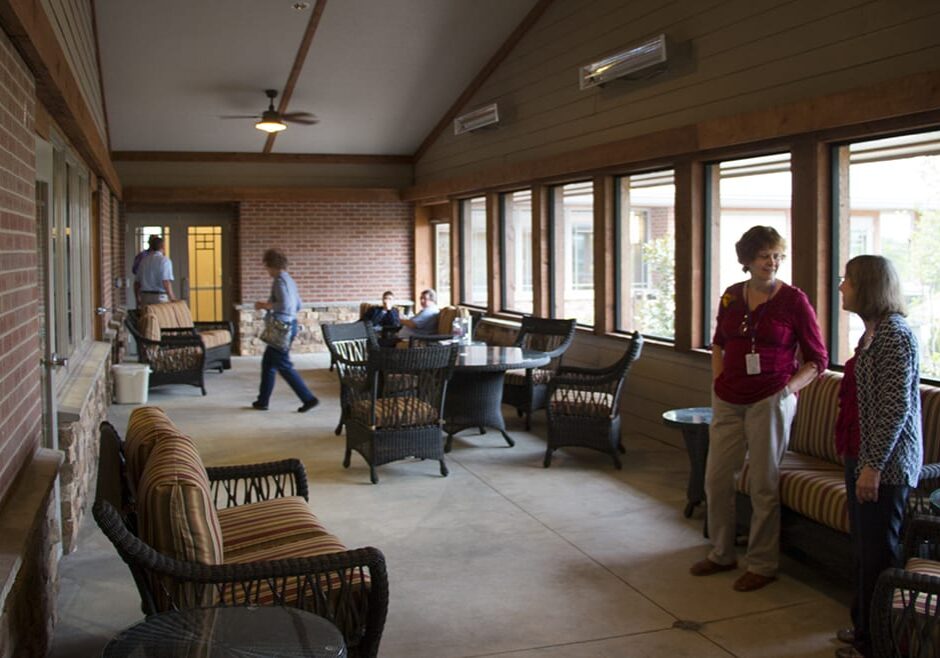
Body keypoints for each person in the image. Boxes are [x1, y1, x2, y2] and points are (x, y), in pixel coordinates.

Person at [691, 226, 827, 592]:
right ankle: (721, 553)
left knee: (764, 483)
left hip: (769, 399)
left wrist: (786, 391)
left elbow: (817, 359)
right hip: (728, 397)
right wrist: (718, 381)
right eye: (765, 255)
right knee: (717, 478)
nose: (772, 262)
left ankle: (763, 564)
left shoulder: (794, 300)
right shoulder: (732, 297)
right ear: (747, 259)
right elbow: (719, 343)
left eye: (777, 255)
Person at [833, 255, 921, 658]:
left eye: (847, 281)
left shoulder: (895, 335)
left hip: (886, 466)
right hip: (864, 457)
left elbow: (894, 409)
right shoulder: (871, 333)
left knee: (879, 554)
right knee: (863, 550)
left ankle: (879, 643)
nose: (841, 288)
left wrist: (872, 466)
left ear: (866, 286)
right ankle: (864, 627)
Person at [252, 248, 319, 413]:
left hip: (281, 328)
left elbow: (286, 305)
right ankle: (262, 401)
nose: (266, 270)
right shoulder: (289, 280)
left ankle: (308, 398)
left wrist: (264, 305)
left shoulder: (280, 281)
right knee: (268, 364)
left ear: (271, 265)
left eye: (267, 266)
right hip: (289, 325)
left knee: (283, 365)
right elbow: (297, 305)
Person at [135, 236, 175, 306]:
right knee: (160, 317)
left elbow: (136, 283)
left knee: (147, 317)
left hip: (145, 297)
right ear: (163, 247)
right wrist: (172, 297)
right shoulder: (165, 261)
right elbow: (166, 282)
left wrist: (137, 299)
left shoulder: (143, 261)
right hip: (159, 298)